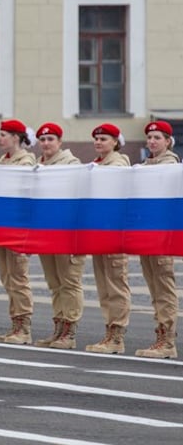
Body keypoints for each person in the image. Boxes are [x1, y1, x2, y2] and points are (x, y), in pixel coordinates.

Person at [32, 122, 84, 349]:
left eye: (50, 139)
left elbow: (76, 197)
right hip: (46, 232)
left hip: (66, 232)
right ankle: (58, 327)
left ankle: (69, 332)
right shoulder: (38, 165)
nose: (46, 144)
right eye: (42, 140)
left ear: (60, 142)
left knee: (69, 282)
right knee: (54, 283)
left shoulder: (71, 164)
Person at [0, 119, 38, 344]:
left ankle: (23, 326)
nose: (0, 139)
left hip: (18, 226)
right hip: (2, 225)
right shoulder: (1, 161)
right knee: (7, 276)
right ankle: (14, 324)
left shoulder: (25, 161)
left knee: (18, 276)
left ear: (16, 137)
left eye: (3, 134)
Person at [86, 123, 132, 354]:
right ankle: (109, 332)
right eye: (96, 139)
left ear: (115, 142)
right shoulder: (96, 165)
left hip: (113, 233)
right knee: (104, 287)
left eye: (104, 139)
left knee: (115, 286)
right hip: (99, 233)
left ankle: (117, 335)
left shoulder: (118, 164)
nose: (99, 142)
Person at [136, 120, 179, 359]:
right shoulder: (146, 165)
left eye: (157, 137)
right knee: (154, 286)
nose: (152, 141)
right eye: (150, 137)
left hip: (161, 235)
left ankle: (167, 340)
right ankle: (160, 336)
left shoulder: (170, 164)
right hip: (147, 233)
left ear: (168, 141)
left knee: (163, 287)